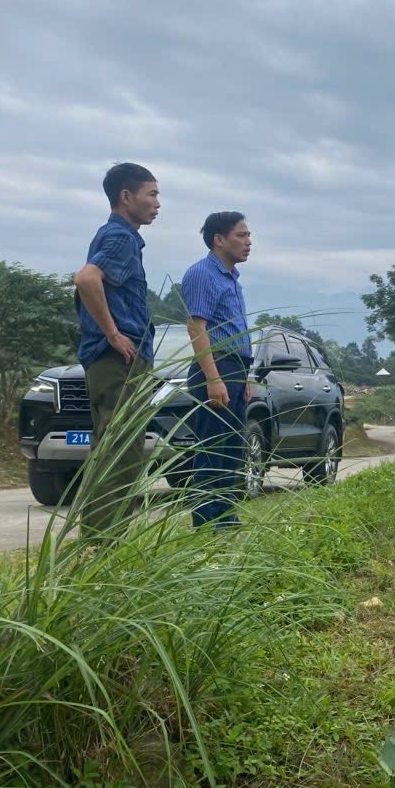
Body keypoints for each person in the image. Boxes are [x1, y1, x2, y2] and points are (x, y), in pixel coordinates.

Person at [72, 162, 161, 537]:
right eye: (152, 194)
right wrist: (113, 334)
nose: (158, 203)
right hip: (118, 359)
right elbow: (86, 278)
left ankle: (103, 539)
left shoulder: (116, 236)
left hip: (112, 359)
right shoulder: (121, 237)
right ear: (127, 197)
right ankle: (102, 542)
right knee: (120, 452)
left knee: (114, 448)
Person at [181, 212, 253, 529]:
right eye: (241, 235)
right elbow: (197, 328)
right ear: (219, 240)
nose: (248, 242)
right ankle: (206, 521)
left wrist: (245, 376)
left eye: (249, 236)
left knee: (231, 447)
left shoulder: (231, 278)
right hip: (216, 367)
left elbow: (236, 330)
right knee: (211, 446)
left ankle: (226, 516)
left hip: (235, 368)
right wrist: (213, 378)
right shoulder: (203, 274)